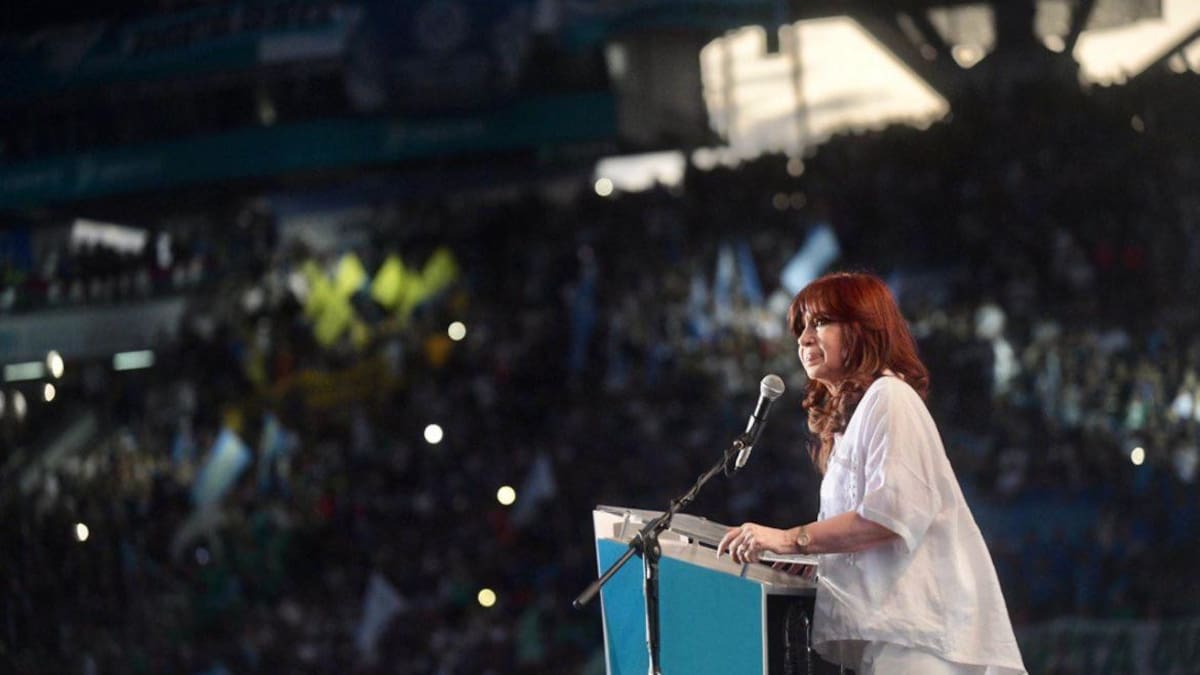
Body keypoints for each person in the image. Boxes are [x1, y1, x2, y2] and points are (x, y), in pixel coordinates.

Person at [717, 272, 1026, 675]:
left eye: (821, 322)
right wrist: (814, 559)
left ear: (863, 329)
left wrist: (793, 540)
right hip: (895, 639)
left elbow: (890, 516)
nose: (804, 338)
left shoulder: (890, 397)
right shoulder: (855, 420)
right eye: (802, 327)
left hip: (921, 641)